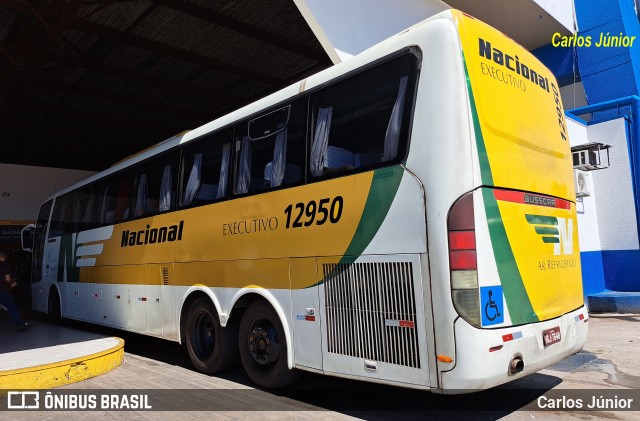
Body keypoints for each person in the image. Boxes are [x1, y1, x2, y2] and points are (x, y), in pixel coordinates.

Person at [0, 250, 30, 332]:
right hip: (3, 291)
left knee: (7, 308)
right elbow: (7, 278)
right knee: (13, 308)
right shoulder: (4, 265)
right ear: (4, 257)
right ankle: (21, 326)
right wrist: (13, 283)